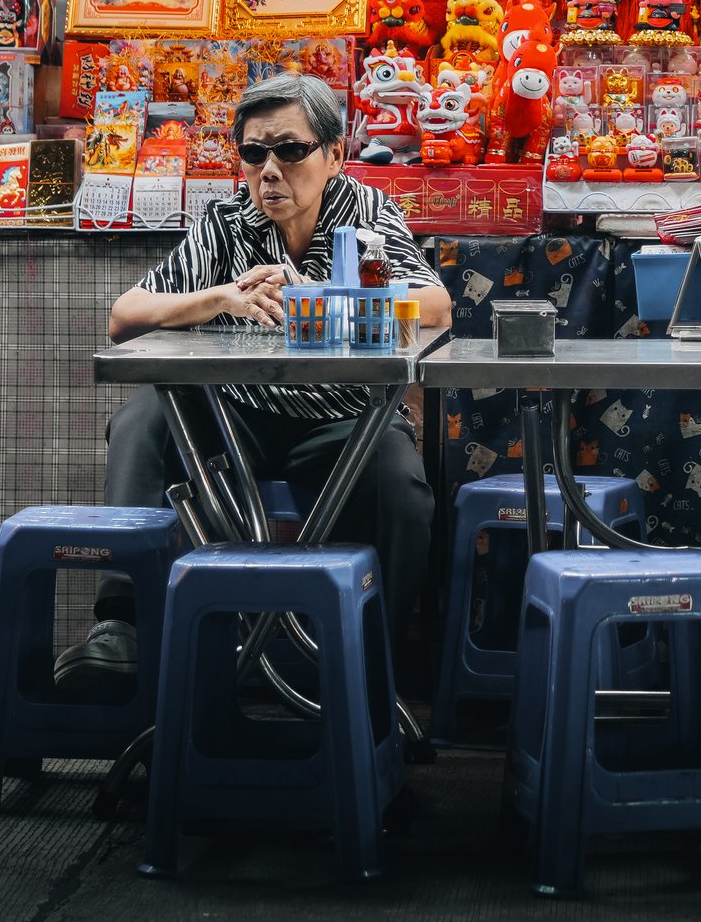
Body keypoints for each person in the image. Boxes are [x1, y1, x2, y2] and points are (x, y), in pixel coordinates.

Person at [58, 72, 453, 693]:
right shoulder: (224, 223)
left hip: (343, 418)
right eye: (253, 153)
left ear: (333, 155)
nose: (270, 170)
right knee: (145, 418)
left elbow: (436, 304)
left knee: (401, 488)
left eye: (290, 151)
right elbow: (123, 318)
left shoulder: (367, 213)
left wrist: (325, 299)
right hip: (236, 415)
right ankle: (123, 627)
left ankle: (375, 670)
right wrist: (215, 298)